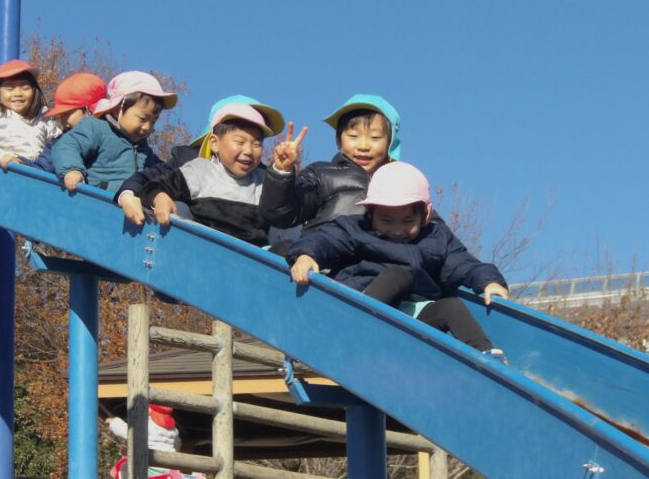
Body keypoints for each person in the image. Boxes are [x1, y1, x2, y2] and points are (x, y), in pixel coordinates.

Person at [287, 161, 509, 361]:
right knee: (398, 275)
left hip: (410, 318)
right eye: (386, 221)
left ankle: (487, 358)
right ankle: (354, 328)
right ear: (369, 213)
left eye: (407, 221)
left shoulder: (437, 238)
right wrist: (306, 255)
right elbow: (326, 240)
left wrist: (489, 281)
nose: (397, 229)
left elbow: (462, 263)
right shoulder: (355, 229)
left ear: (425, 215)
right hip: (365, 303)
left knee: (451, 305)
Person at [124, 100, 281, 246]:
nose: (248, 151)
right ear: (214, 143)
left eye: (257, 144)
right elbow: (154, 184)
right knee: (178, 206)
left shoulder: (263, 181)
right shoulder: (197, 169)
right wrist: (159, 197)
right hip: (200, 246)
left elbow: (286, 208)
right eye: (240, 141)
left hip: (248, 253)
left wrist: (284, 172)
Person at [258, 94, 401, 233]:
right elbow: (279, 214)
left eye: (375, 137)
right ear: (339, 140)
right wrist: (281, 172)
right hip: (324, 249)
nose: (363, 146)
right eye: (353, 136)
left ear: (390, 143)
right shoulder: (320, 175)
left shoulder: (401, 185)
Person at [51, 71, 176, 193]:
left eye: (153, 121)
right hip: (96, 199)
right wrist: (72, 169)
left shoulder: (143, 149)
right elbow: (68, 145)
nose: (147, 127)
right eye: (142, 119)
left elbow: (160, 170)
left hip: (127, 203)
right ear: (117, 109)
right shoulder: (96, 127)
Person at [18, 72, 106, 172]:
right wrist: (22, 163)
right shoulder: (59, 143)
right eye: (61, 114)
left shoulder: (112, 137)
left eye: (67, 113)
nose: (64, 120)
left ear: (89, 111)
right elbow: (42, 168)